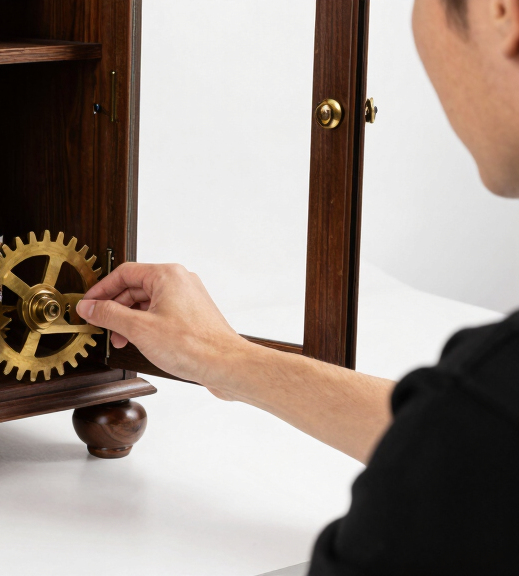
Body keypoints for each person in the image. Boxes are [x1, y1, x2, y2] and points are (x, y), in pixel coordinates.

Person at [76, 0, 519, 573]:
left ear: (500, 13)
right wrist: (223, 357)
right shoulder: (486, 410)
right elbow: (461, 443)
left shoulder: (487, 399)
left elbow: (464, 443)